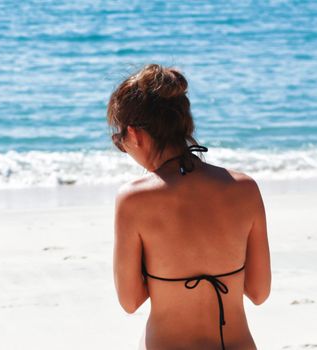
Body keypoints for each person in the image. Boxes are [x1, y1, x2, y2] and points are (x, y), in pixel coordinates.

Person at [108, 64, 271, 350]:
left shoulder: (134, 199)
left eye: (119, 139)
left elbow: (130, 301)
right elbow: (259, 292)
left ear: (134, 134)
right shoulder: (245, 188)